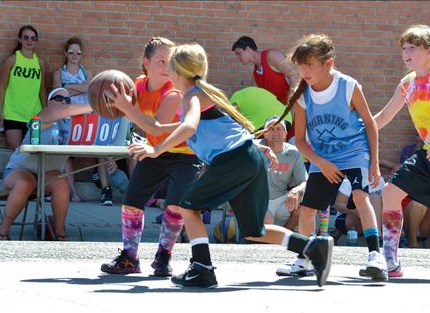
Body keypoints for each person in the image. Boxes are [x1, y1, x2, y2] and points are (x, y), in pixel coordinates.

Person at [128, 42, 333, 288]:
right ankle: (313, 246)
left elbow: (189, 127)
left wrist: (156, 149)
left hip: (233, 161)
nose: (167, 72)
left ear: (179, 71)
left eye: (170, 67)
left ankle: (202, 268)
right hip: (246, 158)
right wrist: (257, 147)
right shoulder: (204, 94)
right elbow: (222, 128)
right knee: (254, 230)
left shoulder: (192, 95)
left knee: (187, 207)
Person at [272, 34, 387, 282]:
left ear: (328, 64)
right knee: (307, 210)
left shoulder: (348, 86)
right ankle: (304, 260)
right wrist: (322, 163)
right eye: (300, 66)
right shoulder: (302, 96)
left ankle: (375, 256)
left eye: (309, 65)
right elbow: (300, 141)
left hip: (354, 152)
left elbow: (370, 124)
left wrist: (374, 163)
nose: (304, 71)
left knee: (360, 196)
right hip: (322, 157)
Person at [99, 38, 202, 277]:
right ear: (145, 63)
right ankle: (129, 258)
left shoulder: (175, 93)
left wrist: (127, 108)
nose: (167, 67)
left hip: (185, 155)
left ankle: (163, 257)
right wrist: (104, 101)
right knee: (131, 201)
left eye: (171, 61)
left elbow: (156, 127)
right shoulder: (136, 86)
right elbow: (116, 108)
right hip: (155, 152)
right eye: (161, 61)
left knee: (175, 206)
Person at [374, 24, 430, 277]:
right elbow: (385, 116)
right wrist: (356, 131)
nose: (406, 53)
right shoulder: (406, 83)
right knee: (390, 192)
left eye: (412, 48)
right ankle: (390, 260)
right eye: (403, 49)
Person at [0, 88, 92, 241]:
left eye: (67, 100)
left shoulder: (71, 124)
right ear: (49, 102)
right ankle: (3, 231)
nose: (63, 103)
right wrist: (97, 104)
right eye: (59, 98)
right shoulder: (43, 115)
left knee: (61, 181)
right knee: (25, 183)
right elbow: (64, 111)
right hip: (19, 169)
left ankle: (60, 234)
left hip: (46, 174)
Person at [232, 36, 299, 140]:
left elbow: (295, 75)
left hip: (293, 109)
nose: (238, 58)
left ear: (248, 49)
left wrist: (292, 104)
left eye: (239, 53)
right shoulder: (255, 73)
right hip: (278, 116)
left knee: (295, 144)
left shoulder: (272, 56)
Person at [53, 37, 93, 203]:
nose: (75, 55)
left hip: (83, 119)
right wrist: (80, 88)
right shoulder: (58, 73)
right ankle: (72, 192)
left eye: (78, 52)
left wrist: (68, 87)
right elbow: (57, 94)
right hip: (64, 117)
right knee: (66, 155)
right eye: (71, 52)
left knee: (89, 151)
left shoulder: (87, 73)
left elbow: (90, 90)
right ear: (65, 53)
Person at [0, 25, 47, 150]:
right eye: (26, 37)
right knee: (16, 151)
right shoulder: (12, 60)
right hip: (12, 112)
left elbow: (42, 89)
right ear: (20, 40)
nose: (29, 40)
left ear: (36, 41)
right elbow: (2, 86)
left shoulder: (40, 63)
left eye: (33, 38)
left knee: (34, 152)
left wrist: (46, 112)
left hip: (34, 114)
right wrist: (0, 111)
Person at [258, 116, 307, 231]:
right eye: (271, 128)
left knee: (306, 206)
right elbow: (243, 142)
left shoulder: (293, 152)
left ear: (285, 134)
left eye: (279, 128)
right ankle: (261, 243)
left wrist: (295, 191)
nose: (275, 132)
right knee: (267, 219)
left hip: (282, 200)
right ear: (265, 134)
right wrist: (265, 150)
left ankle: (284, 239)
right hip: (259, 199)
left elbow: (304, 181)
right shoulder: (256, 146)